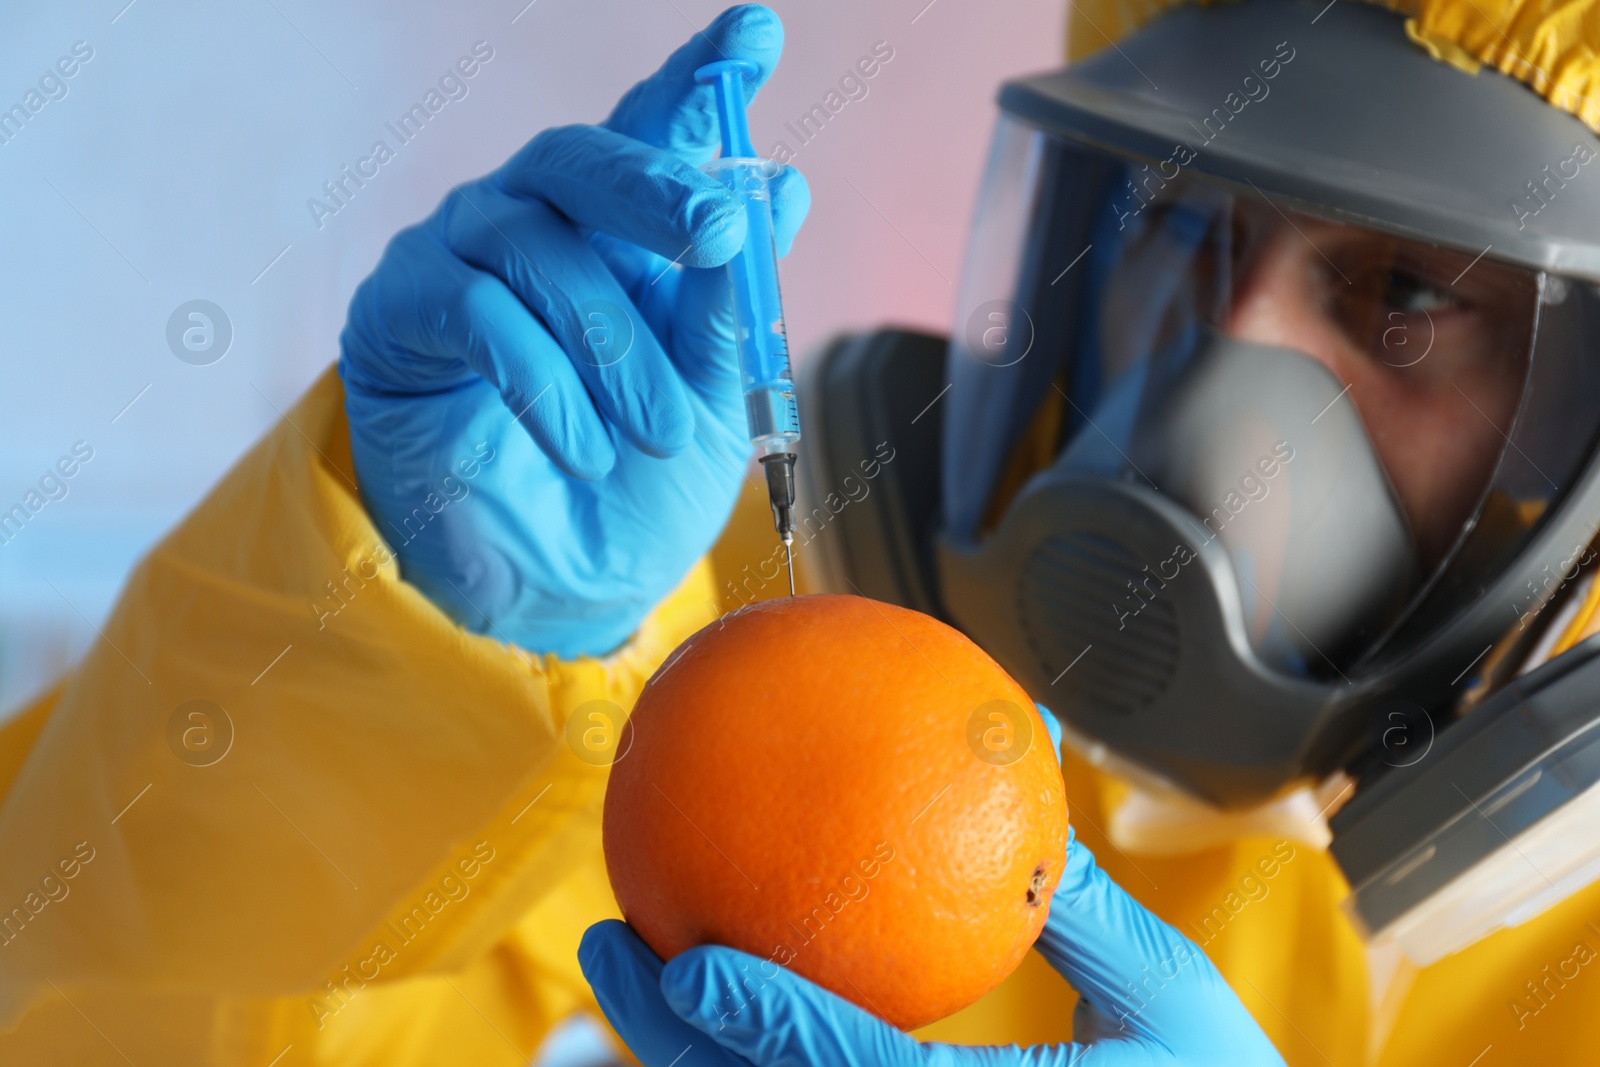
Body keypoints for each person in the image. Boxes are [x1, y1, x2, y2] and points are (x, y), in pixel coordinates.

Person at [2, 3, 1599, 1066]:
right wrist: (410, 644)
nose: (1219, 365)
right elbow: (71, 1001)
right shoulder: (783, 680)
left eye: (1403, 295)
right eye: (1182, 221)